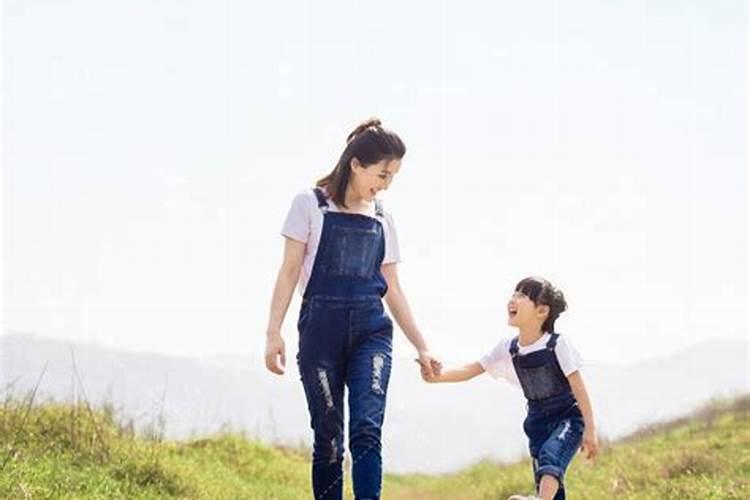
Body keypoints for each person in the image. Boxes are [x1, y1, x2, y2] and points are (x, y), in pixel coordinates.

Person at [264, 118, 440, 500]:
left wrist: (422, 346)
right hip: (320, 331)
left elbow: (393, 288)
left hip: (370, 333)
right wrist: (272, 332)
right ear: (356, 164)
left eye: (393, 176)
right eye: (382, 174)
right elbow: (289, 271)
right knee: (328, 437)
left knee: (366, 430)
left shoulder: (382, 217)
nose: (386, 184)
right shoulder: (309, 204)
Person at [421, 277, 597, 500]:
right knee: (550, 482)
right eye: (514, 293)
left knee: (551, 457)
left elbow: (579, 387)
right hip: (537, 423)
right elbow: (471, 369)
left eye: (522, 296)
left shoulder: (557, 344)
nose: (513, 299)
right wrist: (438, 377)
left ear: (541, 311)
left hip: (568, 419)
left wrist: (590, 429)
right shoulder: (509, 348)